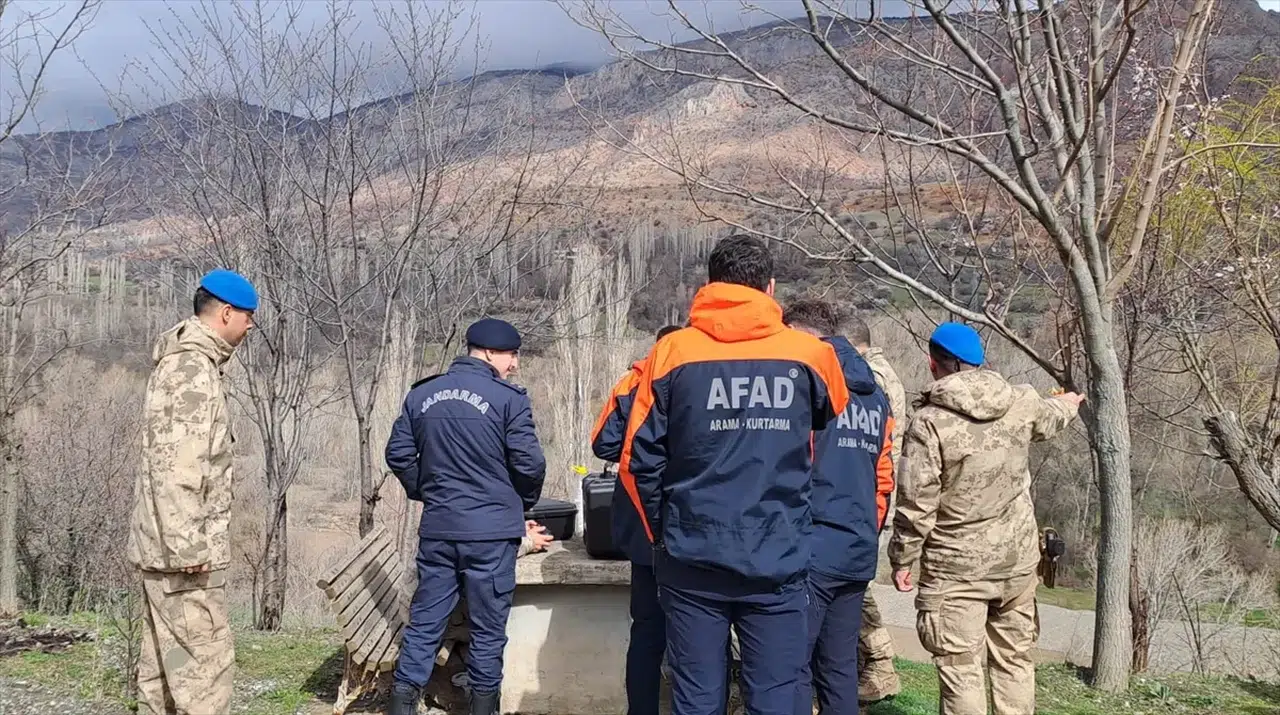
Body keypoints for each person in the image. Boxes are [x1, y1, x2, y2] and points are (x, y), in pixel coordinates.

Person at [619, 235, 850, 715]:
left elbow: (637, 461)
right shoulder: (811, 356)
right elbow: (830, 415)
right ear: (770, 286)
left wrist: (663, 533)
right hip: (778, 556)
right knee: (774, 696)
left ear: (710, 284)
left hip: (690, 556)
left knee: (697, 698)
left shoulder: (670, 354)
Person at [889, 322, 1084, 715]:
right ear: (980, 362)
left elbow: (916, 503)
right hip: (1017, 565)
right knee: (1015, 662)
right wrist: (1070, 403)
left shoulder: (929, 422)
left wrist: (902, 559)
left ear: (933, 364)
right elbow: (1053, 416)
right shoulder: (1020, 402)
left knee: (961, 670)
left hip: (956, 569)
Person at [384, 318, 548, 715]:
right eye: (512, 355)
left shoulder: (422, 395)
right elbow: (530, 464)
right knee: (488, 633)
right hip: (490, 537)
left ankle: (402, 706)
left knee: (424, 625)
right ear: (490, 352)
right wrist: (516, 506)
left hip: (440, 530)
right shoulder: (508, 399)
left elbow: (398, 454)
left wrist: (428, 491)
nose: (515, 365)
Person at [127, 268, 257, 715]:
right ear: (225, 313)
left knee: (168, 661)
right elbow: (176, 468)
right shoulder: (190, 370)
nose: (251, 325)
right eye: (247, 316)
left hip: (167, 554)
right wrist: (188, 550)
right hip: (184, 562)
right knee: (206, 671)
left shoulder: (191, 364)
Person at [784, 300, 894, 715]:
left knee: (794, 664)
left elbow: (792, 466)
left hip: (814, 545)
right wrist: (867, 529)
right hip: (858, 547)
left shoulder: (812, 386)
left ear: (809, 336)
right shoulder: (876, 398)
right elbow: (883, 478)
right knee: (840, 666)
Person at [590, 324, 681, 715]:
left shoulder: (633, 381)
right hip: (689, 520)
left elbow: (603, 442)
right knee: (702, 632)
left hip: (642, 521)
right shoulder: (701, 377)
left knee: (646, 629)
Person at [846, 314, 907, 705]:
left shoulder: (872, 377)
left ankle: (880, 663)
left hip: (868, 494)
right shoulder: (884, 373)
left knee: (857, 589)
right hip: (874, 492)